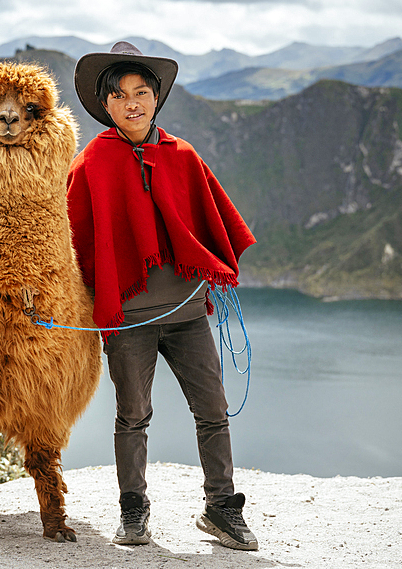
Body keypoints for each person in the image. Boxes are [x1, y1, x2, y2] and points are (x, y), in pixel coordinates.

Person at [66, 41, 259, 550]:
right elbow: (74, 243)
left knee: (213, 409)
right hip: (129, 317)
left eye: (142, 92)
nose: (133, 103)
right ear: (105, 106)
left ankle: (221, 508)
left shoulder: (182, 157)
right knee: (133, 414)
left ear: (156, 99)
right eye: (121, 95)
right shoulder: (92, 165)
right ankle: (134, 511)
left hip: (187, 312)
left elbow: (213, 225)